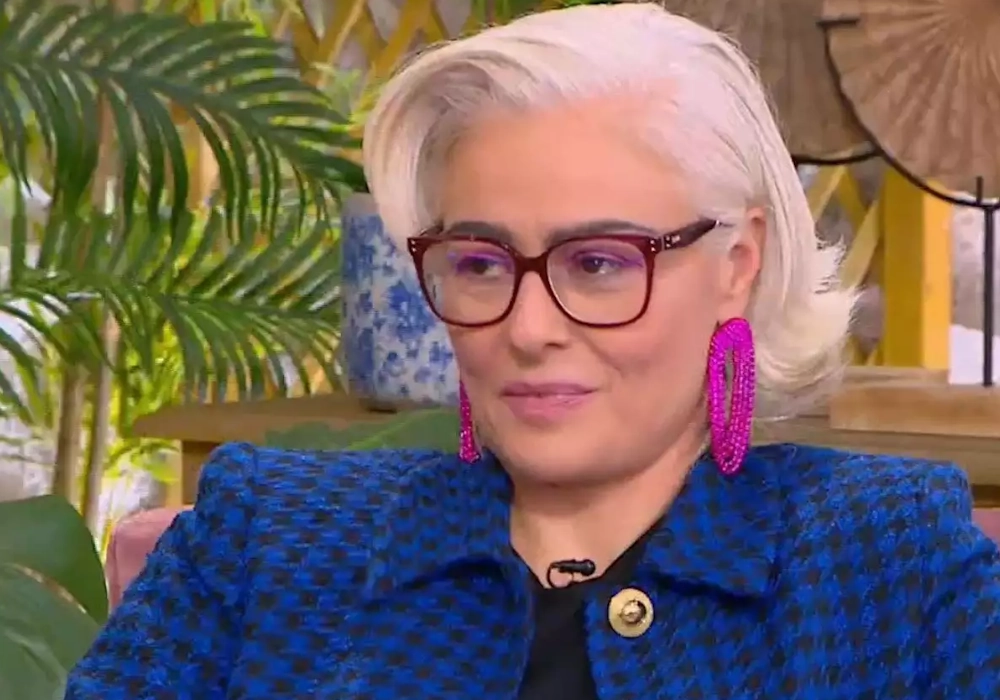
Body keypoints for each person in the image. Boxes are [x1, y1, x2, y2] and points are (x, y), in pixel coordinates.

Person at [66, 4, 1000, 699]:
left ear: (736, 266)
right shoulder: (262, 537)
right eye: (480, 264)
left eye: (598, 263)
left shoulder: (890, 556)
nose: (527, 327)